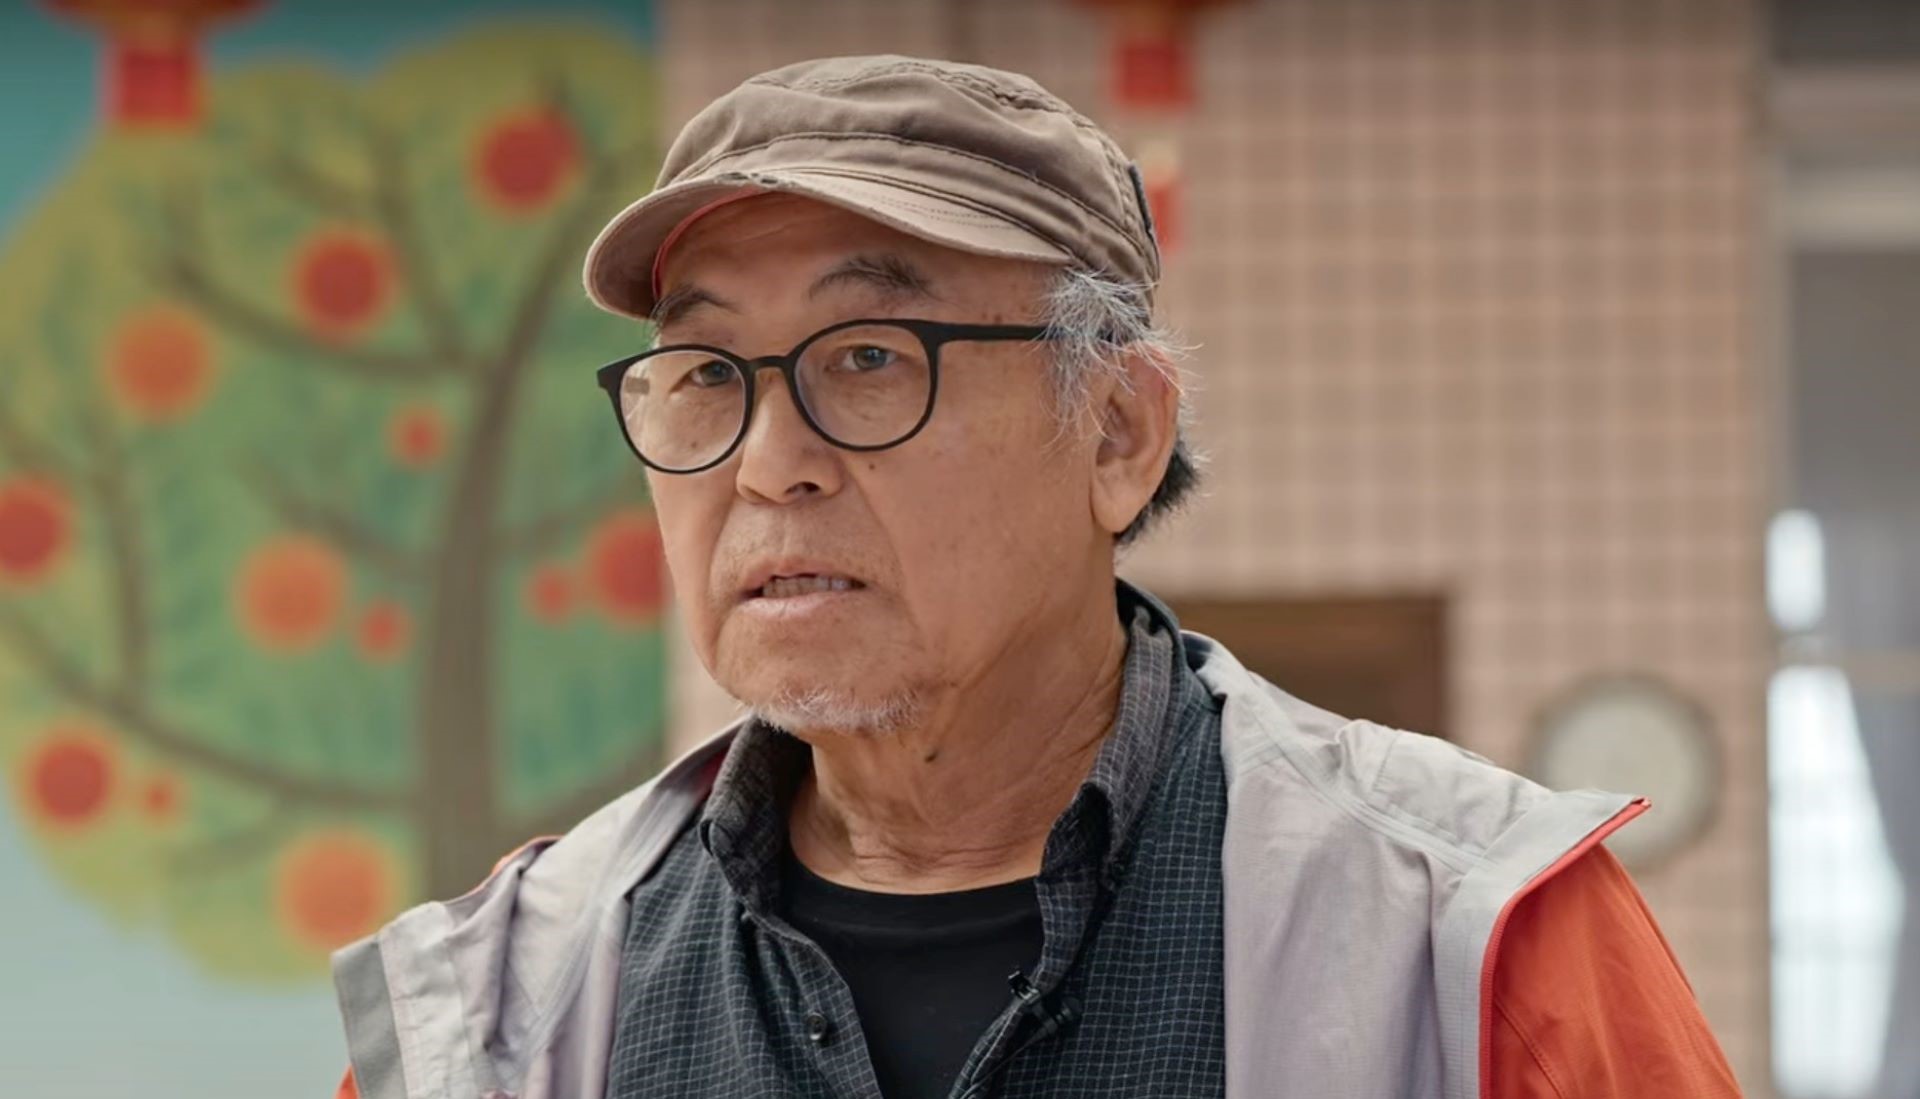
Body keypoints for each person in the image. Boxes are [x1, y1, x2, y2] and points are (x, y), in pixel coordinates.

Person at [331, 55, 1742, 1099]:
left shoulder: (1474, 934)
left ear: (1117, 431)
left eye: (868, 357)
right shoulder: (506, 1001)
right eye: (705, 373)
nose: (767, 465)